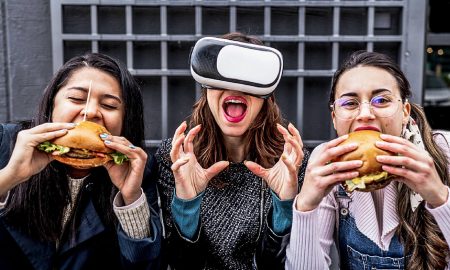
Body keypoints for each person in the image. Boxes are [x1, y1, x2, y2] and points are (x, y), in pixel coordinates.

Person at [155, 32, 309, 270]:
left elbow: (287, 263)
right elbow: (180, 263)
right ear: (206, 88)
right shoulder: (176, 157)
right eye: (224, 77)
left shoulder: (290, 162)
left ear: (265, 96)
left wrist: (284, 207)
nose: (236, 87)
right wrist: (186, 205)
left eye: (249, 78)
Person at [286, 51, 450, 270]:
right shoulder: (328, 163)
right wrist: (306, 206)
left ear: (404, 111)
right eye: (350, 103)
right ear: (334, 118)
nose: (365, 113)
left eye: (382, 100)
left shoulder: (444, 150)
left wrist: (440, 197)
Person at [0, 53, 161, 269]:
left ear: (125, 120)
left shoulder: (138, 169)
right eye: (76, 98)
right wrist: (10, 176)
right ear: (52, 105)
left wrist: (130, 198)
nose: (91, 112)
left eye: (110, 105)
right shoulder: (6, 141)